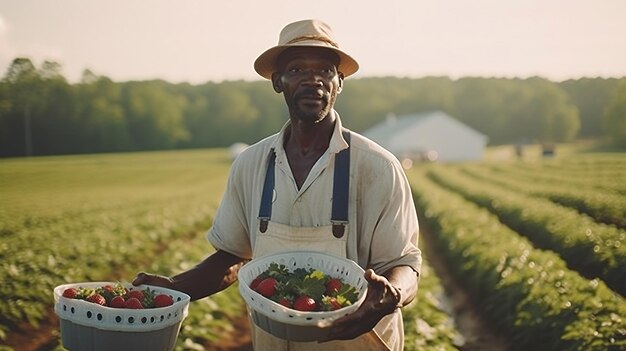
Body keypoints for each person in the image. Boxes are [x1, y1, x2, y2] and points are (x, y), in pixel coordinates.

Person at [133, 19, 422, 350]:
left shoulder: (377, 167)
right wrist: (172, 287)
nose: (313, 79)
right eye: (297, 69)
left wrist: (392, 295)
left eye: (326, 70)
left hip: (355, 342)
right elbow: (232, 257)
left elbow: (404, 264)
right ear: (278, 81)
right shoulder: (251, 164)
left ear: (339, 82)